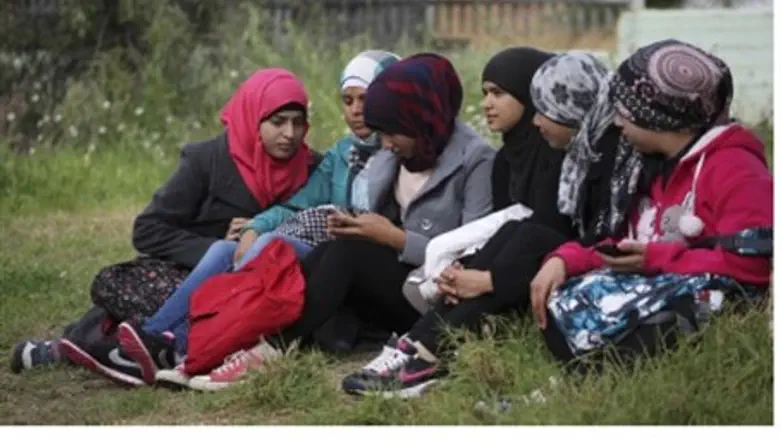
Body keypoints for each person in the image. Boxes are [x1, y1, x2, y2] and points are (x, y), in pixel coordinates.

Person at [183, 53, 498, 392]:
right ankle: (242, 339)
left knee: (346, 253)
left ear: (418, 119)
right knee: (328, 251)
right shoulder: (394, 157)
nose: (386, 143)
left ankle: (271, 350)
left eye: (391, 132)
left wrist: (395, 238)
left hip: (437, 296)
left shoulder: (475, 159)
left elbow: (472, 254)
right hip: (396, 280)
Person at [340, 49, 644, 398]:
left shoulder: (603, 161)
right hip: (542, 268)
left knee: (524, 230)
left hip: (588, 274)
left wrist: (488, 280)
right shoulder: (566, 156)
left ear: (573, 106)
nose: (536, 120)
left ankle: (424, 351)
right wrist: (468, 269)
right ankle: (421, 347)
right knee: (515, 228)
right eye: (485, 93)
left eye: (499, 93)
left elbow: (580, 238)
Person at [108, 50, 400, 387]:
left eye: (367, 99)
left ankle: (189, 345)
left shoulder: (399, 150)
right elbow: (297, 205)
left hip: (353, 263)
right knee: (224, 251)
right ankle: (154, 336)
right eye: (347, 100)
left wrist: (262, 234)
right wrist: (254, 225)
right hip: (323, 252)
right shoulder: (342, 154)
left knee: (272, 245)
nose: (356, 110)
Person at [10, 68, 321, 375]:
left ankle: (84, 349)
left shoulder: (313, 169)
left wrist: (260, 234)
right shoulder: (207, 160)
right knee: (129, 286)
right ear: (253, 118)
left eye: (298, 123)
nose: (290, 134)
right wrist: (219, 245)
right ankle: (101, 346)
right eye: (278, 122)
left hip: (264, 285)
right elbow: (148, 230)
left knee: (203, 306)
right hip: (194, 271)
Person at [531, 39, 772, 373]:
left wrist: (656, 260)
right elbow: (633, 245)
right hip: (667, 282)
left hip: (721, 303)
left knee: (689, 308)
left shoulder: (737, 170)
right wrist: (566, 259)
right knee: (566, 297)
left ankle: (601, 377)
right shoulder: (654, 167)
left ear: (655, 115)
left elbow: (756, 266)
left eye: (624, 113)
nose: (616, 123)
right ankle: (590, 373)